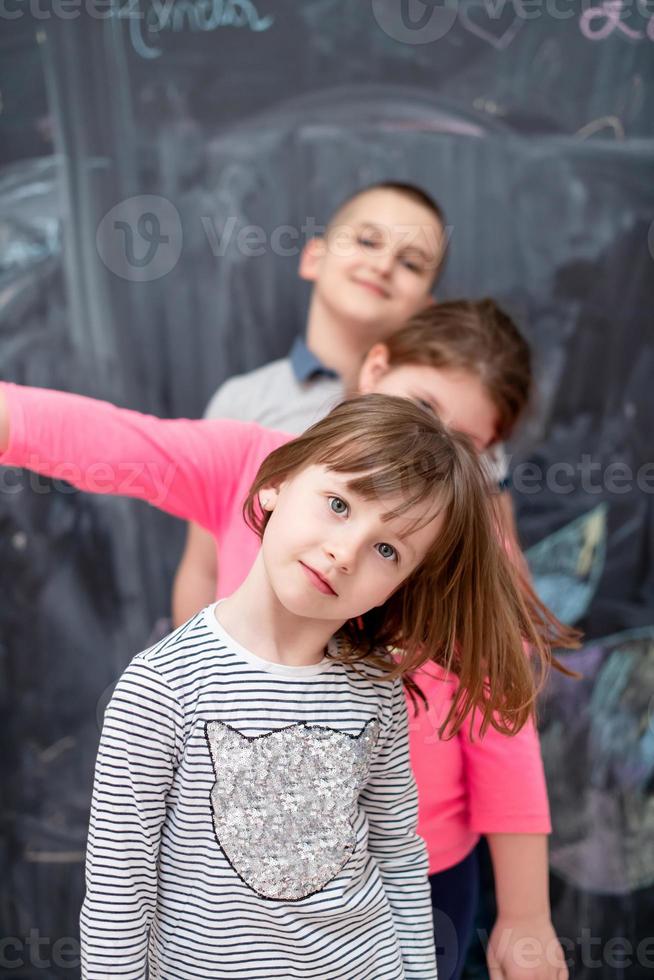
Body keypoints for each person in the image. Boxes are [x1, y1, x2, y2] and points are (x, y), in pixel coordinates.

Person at [0, 301, 573, 980]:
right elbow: (112, 439)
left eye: (467, 443)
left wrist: (527, 912)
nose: (431, 444)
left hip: (426, 867)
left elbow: (501, 717)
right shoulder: (253, 464)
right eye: (423, 405)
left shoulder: (454, 548)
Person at [172, 180, 449, 625]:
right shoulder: (243, 400)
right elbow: (204, 566)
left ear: (426, 307)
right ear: (313, 257)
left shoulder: (441, 421)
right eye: (366, 240)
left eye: (411, 263)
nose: (382, 265)